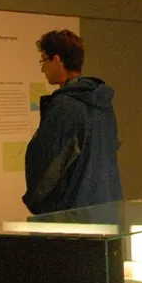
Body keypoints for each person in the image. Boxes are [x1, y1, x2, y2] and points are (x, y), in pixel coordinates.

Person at [23, 29, 123, 213]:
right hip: (107, 207)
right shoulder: (103, 105)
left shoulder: (65, 106)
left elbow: (46, 165)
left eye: (44, 60)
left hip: (75, 214)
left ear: (57, 60)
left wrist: (36, 202)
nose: (42, 68)